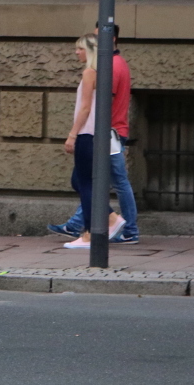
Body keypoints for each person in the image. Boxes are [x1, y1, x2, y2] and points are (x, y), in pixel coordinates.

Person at [49, 26, 138, 244]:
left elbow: (93, 105)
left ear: (112, 39)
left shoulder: (109, 67)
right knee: (87, 181)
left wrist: (73, 134)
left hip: (108, 132)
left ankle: (122, 227)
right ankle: (84, 224)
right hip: (107, 131)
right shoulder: (112, 65)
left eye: (99, 37)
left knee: (107, 181)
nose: (76, 52)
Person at [61, 34, 125, 249]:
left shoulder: (89, 73)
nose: (76, 52)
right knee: (80, 182)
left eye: (79, 48)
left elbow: (86, 107)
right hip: (97, 134)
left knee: (86, 184)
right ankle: (110, 218)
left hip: (88, 134)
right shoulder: (103, 73)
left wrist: (72, 134)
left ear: (90, 51)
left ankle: (90, 233)